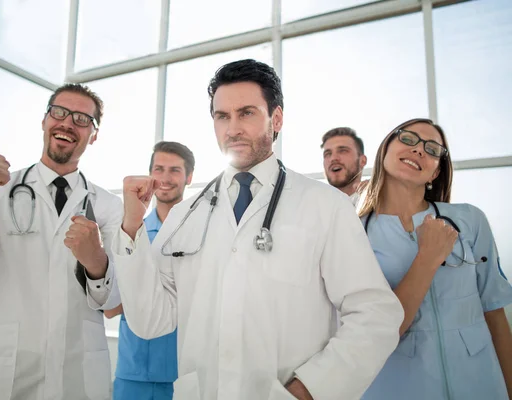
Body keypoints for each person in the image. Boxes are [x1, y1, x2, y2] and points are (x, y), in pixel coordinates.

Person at [111, 59, 404, 400]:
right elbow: (151, 321)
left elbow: (376, 314)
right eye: (222, 116)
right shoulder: (184, 215)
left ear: (276, 118)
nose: (232, 128)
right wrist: (131, 227)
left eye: (246, 113)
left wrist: (310, 390)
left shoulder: (325, 206)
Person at [0, 84, 123, 400]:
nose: (68, 123)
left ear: (93, 135)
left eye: (83, 119)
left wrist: (95, 261)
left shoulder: (110, 206)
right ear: (44, 121)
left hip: (76, 377)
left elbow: (113, 303)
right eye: (59, 112)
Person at [359, 118, 512, 400]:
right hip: (396, 388)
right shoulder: (353, 233)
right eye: (408, 139)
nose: (419, 150)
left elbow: (494, 313)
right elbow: (380, 331)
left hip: (481, 385)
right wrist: (428, 257)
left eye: (432, 149)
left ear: (435, 173)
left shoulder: (470, 220)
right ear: (384, 151)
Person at [105, 141, 195, 400]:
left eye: (175, 170)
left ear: (189, 177)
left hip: (184, 374)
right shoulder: (129, 233)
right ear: (150, 175)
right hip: (134, 372)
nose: (165, 178)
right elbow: (110, 305)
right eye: (159, 169)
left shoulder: (200, 234)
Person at [321, 127, 367, 205]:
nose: (333, 158)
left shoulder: (383, 204)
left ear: (362, 161)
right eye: (328, 154)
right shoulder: (310, 207)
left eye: (343, 151)